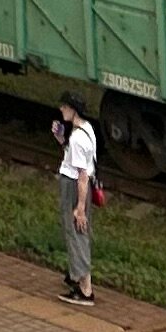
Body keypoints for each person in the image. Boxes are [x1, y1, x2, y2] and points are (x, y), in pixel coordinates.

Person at [54, 97, 99, 301]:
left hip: (73, 187)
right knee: (80, 232)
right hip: (81, 186)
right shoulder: (87, 129)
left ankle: (85, 289)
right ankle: (76, 277)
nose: (61, 109)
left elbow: (81, 175)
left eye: (64, 107)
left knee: (76, 231)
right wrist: (62, 140)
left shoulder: (78, 139)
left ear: (73, 110)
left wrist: (79, 208)